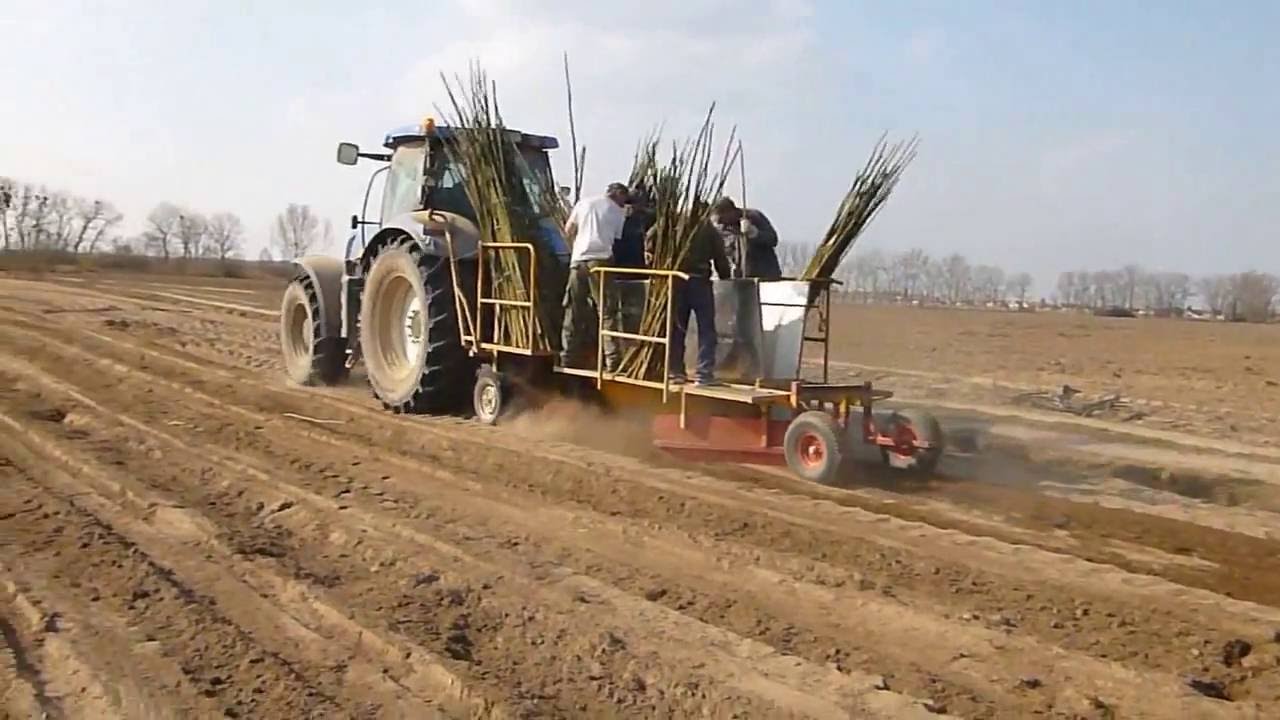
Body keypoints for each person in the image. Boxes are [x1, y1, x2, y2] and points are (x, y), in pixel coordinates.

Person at [653, 205, 732, 386]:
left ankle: (675, 372)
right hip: (699, 281)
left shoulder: (673, 224)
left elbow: (651, 238)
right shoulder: (707, 229)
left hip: (676, 280)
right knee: (706, 330)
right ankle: (704, 374)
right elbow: (720, 259)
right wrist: (726, 277)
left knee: (677, 328)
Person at [559, 182, 629, 369]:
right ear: (618, 194)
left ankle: (567, 356)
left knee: (573, 309)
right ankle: (612, 360)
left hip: (577, 261)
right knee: (607, 311)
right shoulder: (617, 211)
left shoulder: (584, 202)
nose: (624, 202)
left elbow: (568, 231)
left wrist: (577, 247)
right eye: (624, 198)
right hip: (600, 262)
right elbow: (617, 240)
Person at [711, 197, 782, 280]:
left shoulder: (754, 217)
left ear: (731, 212)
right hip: (740, 280)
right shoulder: (720, 230)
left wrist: (755, 233)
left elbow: (773, 240)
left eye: (721, 219)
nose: (720, 224)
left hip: (765, 277)